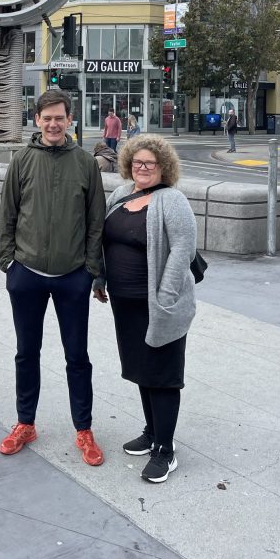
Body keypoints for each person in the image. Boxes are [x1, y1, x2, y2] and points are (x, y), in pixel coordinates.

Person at [0, 89, 106, 467]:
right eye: (47, 118)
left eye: (60, 117)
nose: (54, 124)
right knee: (27, 353)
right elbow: (8, 213)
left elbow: (96, 221)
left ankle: (84, 429)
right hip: (26, 273)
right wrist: (7, 264)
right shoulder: (22, 160)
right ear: (37, 120)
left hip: (72, 275)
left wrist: (92, 270)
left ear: (70, 119)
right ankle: (25, 423)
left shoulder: (85, 163)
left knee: (77, 356)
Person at [95, 135, 197, 484]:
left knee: (163, 375)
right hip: (125, 302)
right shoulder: (121, 195)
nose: (142, 168)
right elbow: (106, 241)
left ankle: (165, 451)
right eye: (137, 162)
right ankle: (151, 431)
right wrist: (101, 278)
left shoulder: (173, 200)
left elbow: (183, 249)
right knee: (141, 369)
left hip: (160, 306)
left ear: (163, 168)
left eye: (150, 164)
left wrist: (166, 295)